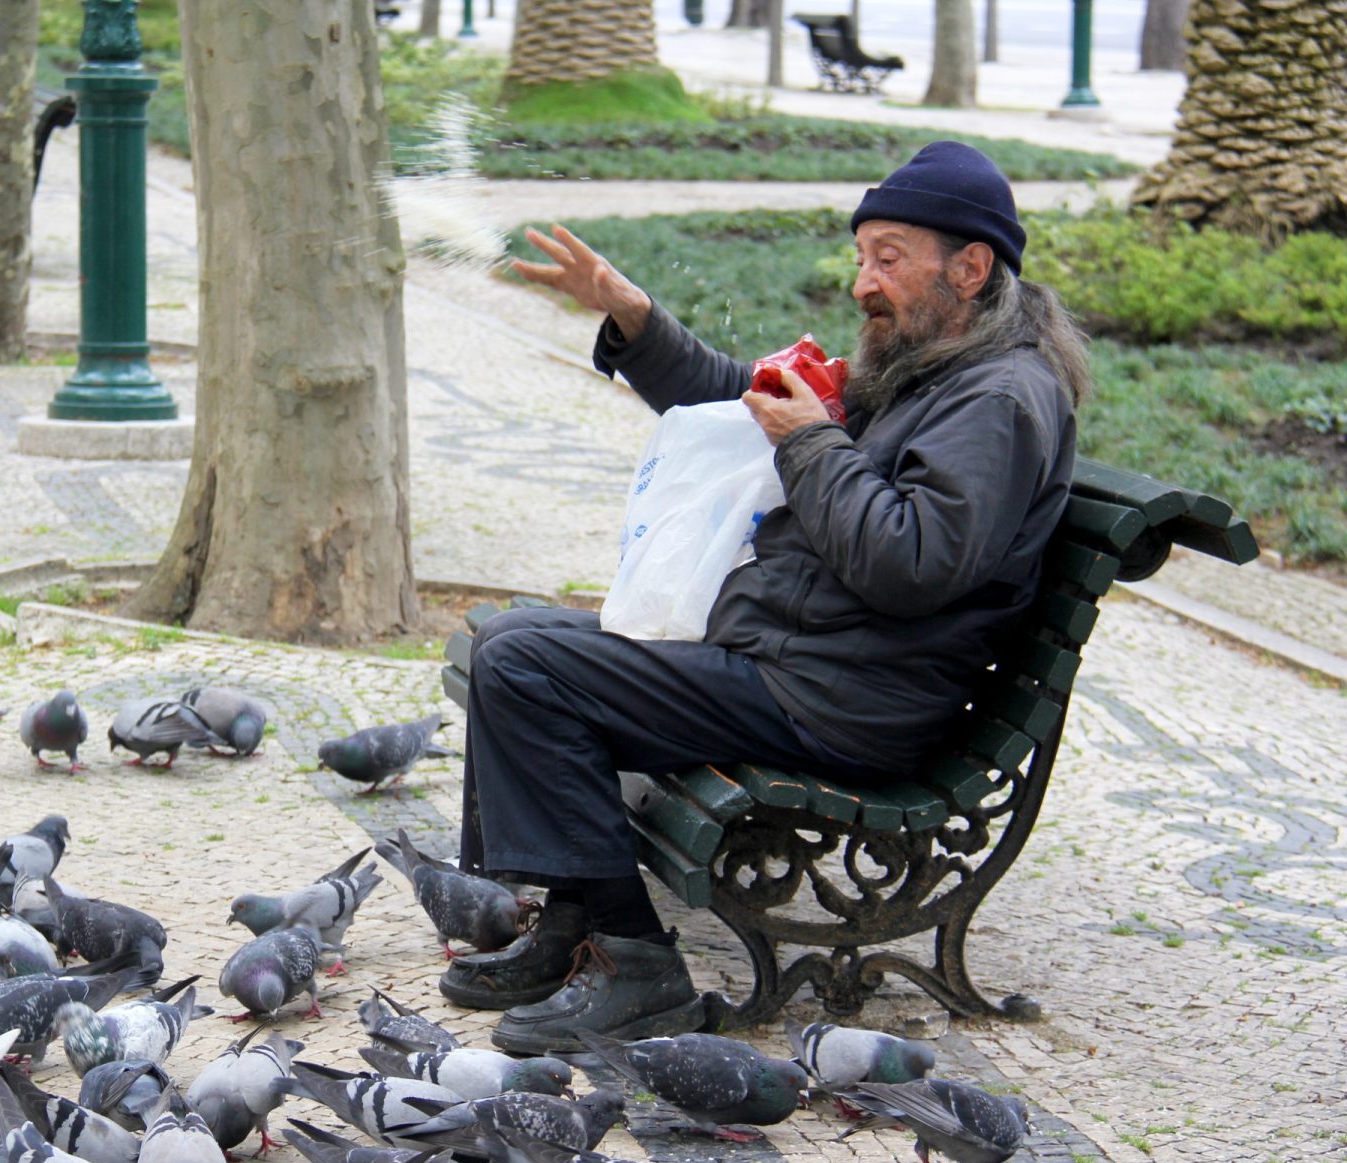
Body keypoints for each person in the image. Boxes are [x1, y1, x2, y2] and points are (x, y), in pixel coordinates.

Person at [447, 141, 1092, 1054]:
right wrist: (639, 324)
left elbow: (909, 564)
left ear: (971, 266)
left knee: (525, 666)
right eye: (862, 256)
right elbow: (750, 404)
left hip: (846, 698)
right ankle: (573, 927)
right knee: (509, 640)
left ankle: (636, 965)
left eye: (890, 259)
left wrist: (812, 444)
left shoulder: (998, 399)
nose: (865, 282)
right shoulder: (932, 362)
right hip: (801, 663)